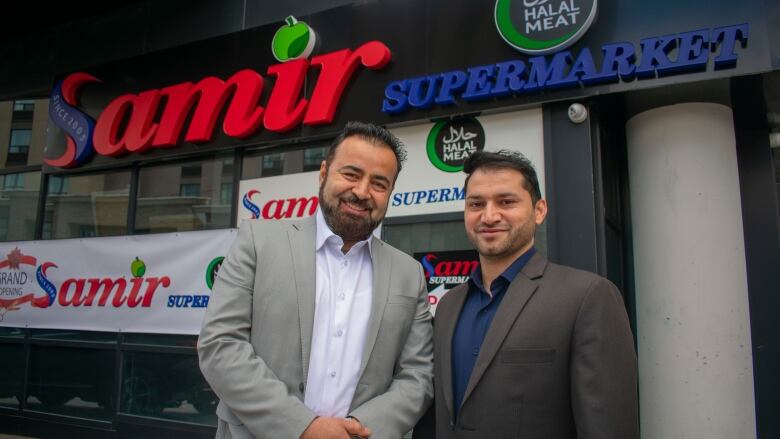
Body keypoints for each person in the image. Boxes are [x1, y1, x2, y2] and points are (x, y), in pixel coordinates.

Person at [198, 121, 434, 439]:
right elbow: (220, 345)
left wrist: (356, 432)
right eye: (351, 174)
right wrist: (304, 427)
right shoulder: (258, 242)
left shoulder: (409, 273)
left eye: (379, 183)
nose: (362, 192)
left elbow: (418, 375)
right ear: (323, 173)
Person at [421, 150, 638, 438]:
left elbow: (607, 427)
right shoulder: (449, 305)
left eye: (506, 202)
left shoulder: (587, 297)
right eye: (476, 204)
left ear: (539, 210)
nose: (489, 215)